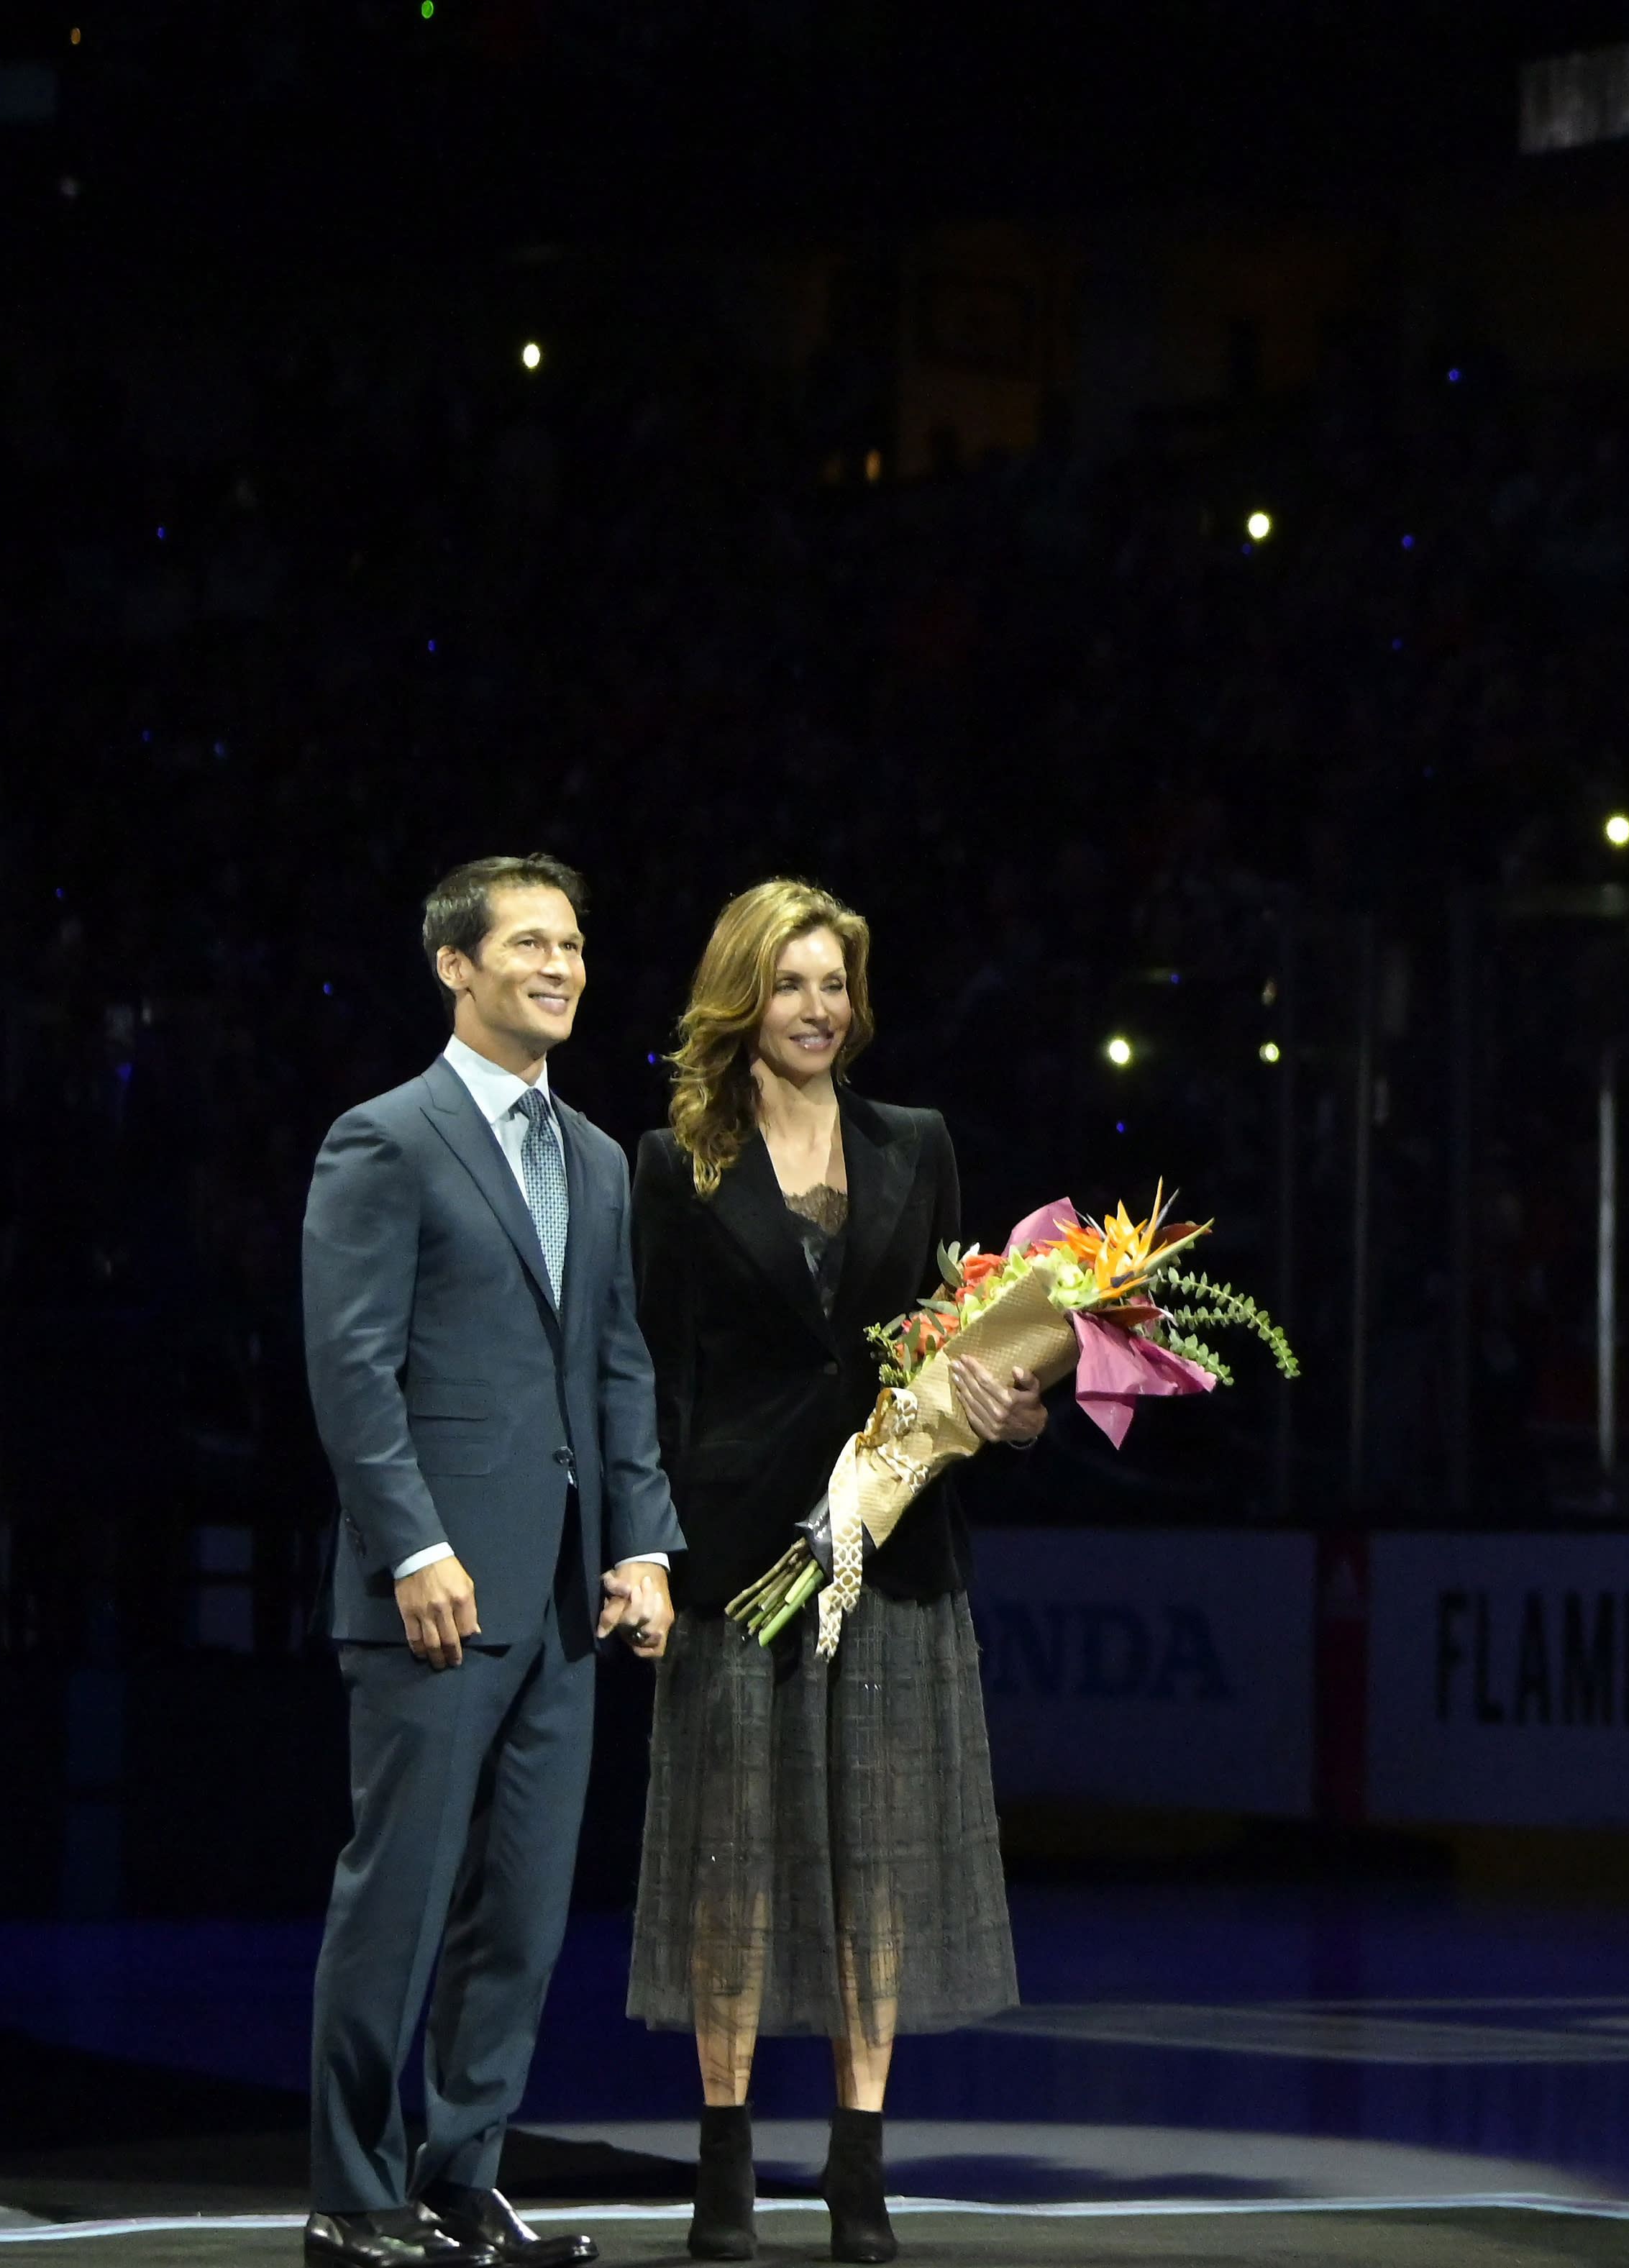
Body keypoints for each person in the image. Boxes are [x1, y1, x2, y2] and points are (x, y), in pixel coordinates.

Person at [626, 881, 1030, 2264]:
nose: (821, 1008)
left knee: (881, 1863)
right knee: (731, 1861)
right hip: (738, 1552)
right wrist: (654, 1548)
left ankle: (859, 2166)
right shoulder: (670, 1158)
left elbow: (954, 1337)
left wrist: (1009, 1401)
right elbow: (653, 1377)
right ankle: (726, 2163)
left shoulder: (915, 1144)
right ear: (745, 992)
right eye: (794, 983)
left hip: (895, 1546)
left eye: (838, 985)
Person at [298, 857, 682, 2268]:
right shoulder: (383, 1138)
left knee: (518, 1912)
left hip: (568, 1599)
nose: (561, 964)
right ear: (455, 966)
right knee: (397, 1898)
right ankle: (351, 2194)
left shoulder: (593, 1153)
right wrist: (413, 1542)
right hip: (438, 1588)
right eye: (529, 942)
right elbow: (350, 1367)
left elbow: (619, 1364)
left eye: (574, 943)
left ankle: (464, 2178)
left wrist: (641, 1544)